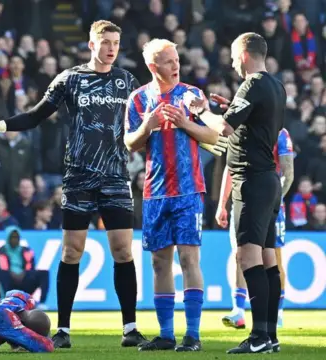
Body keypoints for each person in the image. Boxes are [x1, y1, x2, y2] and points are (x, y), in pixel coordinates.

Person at [0, 20, 147, 348]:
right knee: (71, 250)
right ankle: (63, 329)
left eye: (116, 43)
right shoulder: (70, 79)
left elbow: (141, 123)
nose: (111, 48)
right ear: (92, 45)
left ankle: (130, 328)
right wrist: (0, 125)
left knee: (123, 251)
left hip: (116, 176)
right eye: (106, 42)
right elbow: (36, 115)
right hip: (78, 177)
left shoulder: (127, 82)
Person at [186, 32, 285, 354]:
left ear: (243, 54)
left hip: (252, 180)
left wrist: (200, 110)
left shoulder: (252, 84)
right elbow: (255, 123)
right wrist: (230, 109)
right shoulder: (276, 85)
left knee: (247, 256)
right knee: (268, 260)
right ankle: (269, 336)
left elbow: (222, 129)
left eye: (232, 55)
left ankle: (257, 336)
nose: (230, 62)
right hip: (268, 180)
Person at [124, 38, 222, 352]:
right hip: (154, 193)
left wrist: (185, 123)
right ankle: (167, 335)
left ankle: (192, 335)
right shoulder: (138, 100)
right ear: (153, 67)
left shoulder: (192, 95)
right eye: (168, 61)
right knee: (159, 263)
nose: (176, 65)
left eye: (177, 59)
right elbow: (129, 143)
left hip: (189, 189)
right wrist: (148, 126)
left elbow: (213, 134)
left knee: (189, 259)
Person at [217, 128, 294, 330]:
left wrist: (275, 200)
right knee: (240, 255)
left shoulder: (280, 134)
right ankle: (239, 311)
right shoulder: (240, 129)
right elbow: (230, 167)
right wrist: (222, 203)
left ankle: (277, 311)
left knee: (273, 257)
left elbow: (288, 172)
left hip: (269, 202)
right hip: (243, 201)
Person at [0, 226, 50, 308]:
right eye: (12, 237)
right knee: (3, 275)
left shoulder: (27, 251)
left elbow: (32, 269)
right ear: (8, 238)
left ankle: (42, 303)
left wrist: (23, 274)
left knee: (44, 273)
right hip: (8, 283)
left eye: (17, 237)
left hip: (24, 280)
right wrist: (11, 274)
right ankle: (5, 301)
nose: (15, 239)